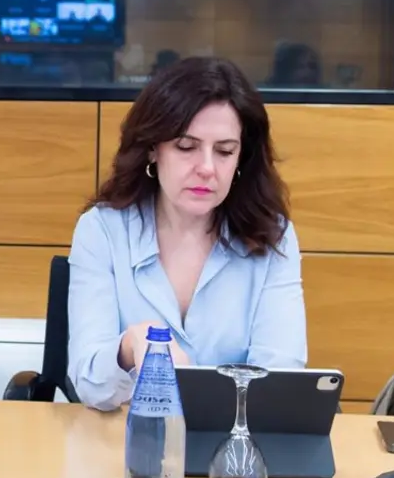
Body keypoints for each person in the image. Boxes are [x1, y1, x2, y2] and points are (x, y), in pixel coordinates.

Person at [67, 57, 307, 411]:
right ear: (153, 148)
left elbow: (278, 381)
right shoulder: (103, 230)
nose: (207, 168)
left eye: (225, 151)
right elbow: (90, 385)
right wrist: (128, 348)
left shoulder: (273, 237)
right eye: (186, 147)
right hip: (125, 444)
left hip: (233, 451)